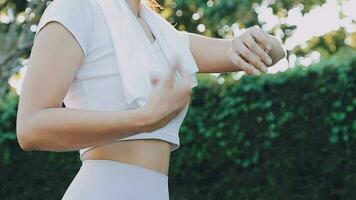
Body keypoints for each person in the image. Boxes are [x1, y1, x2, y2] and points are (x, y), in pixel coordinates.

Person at [16, 0, 286, 199]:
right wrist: (142, 119)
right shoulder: (75, 9)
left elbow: (273, 53)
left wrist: (256, 39)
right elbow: (30, 126)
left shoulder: (167, 38)